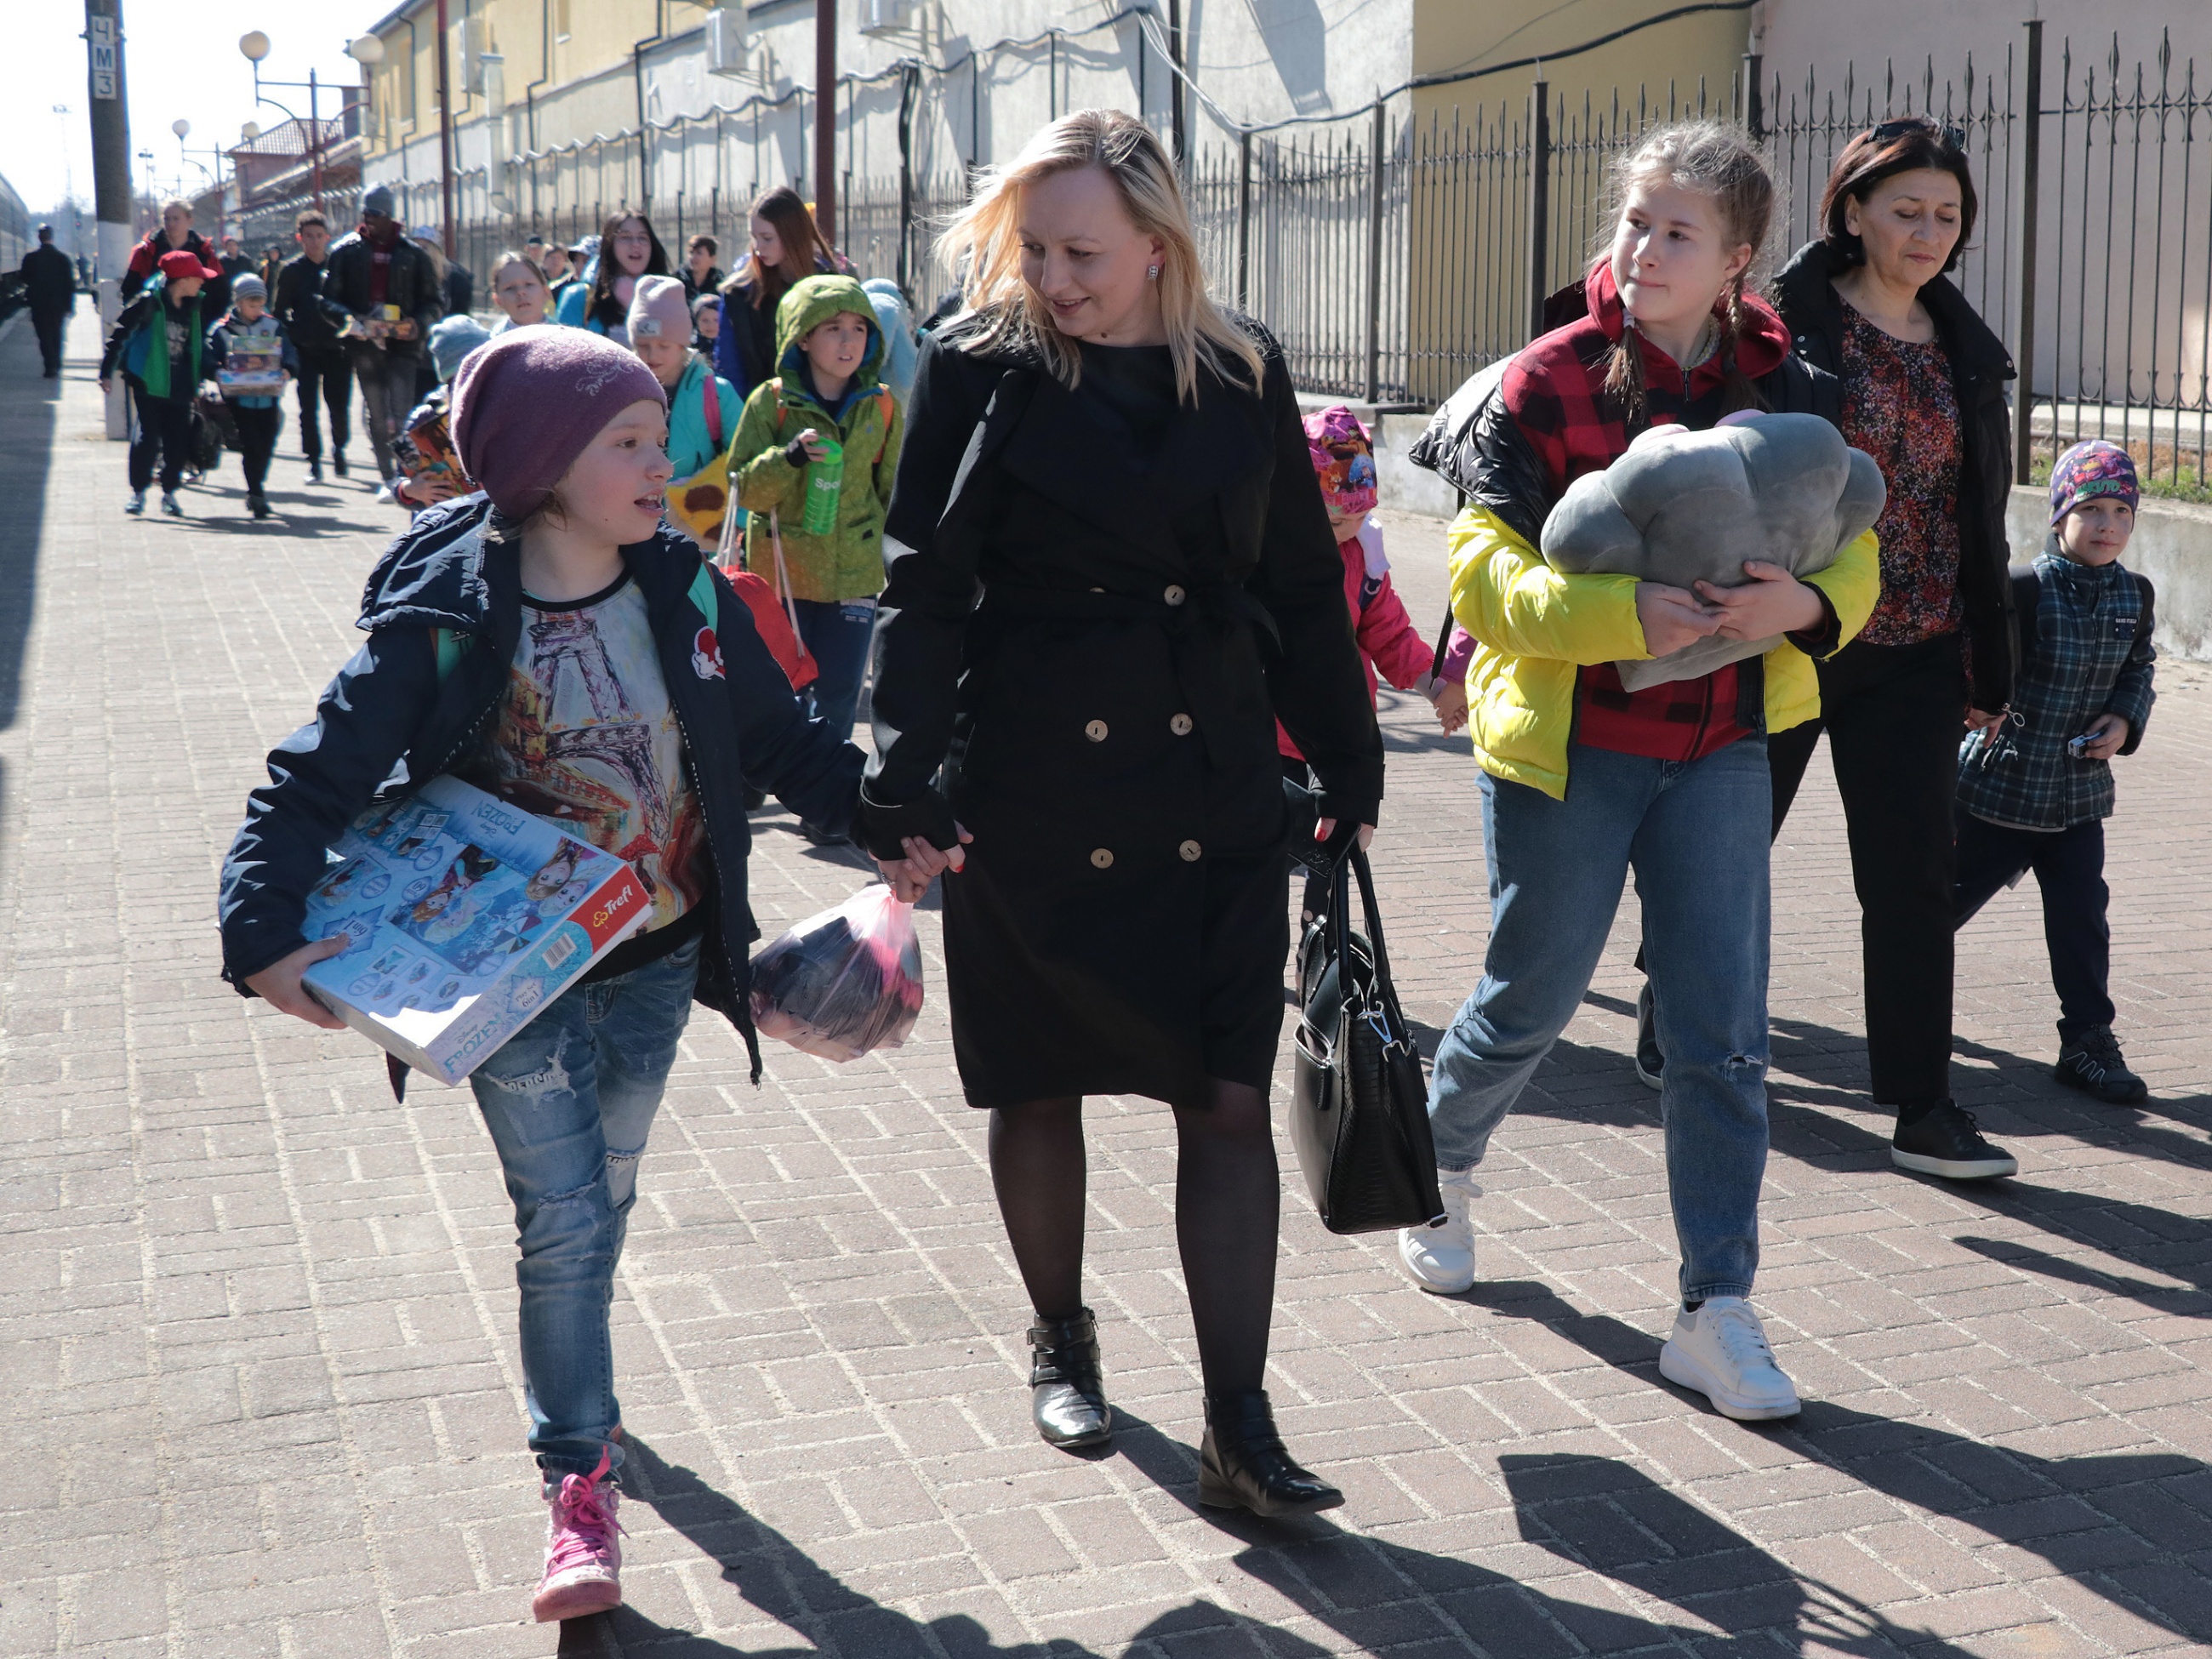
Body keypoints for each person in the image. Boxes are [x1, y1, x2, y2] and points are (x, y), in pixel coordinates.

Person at [214, 326, 880, 1625]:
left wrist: (897, 818)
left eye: (658, 435)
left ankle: (576, 1373)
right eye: (627, 442)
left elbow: (782, 740)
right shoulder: (447, 612)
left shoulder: (681, 581)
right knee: (565, 1217)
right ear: (541, 466)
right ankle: (578, 1477)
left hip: (660, 955)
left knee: (607, 1182)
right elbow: (312, 773)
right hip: (505, 982)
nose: (662, 459)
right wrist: (261, 932)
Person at [858, 110, 1382, 1517]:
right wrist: (901, 771)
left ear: (1160, 244)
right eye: (1032, 248)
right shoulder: (981, 367)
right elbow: (926, 582)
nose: (1055, 277)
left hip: (1207, 776)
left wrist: (1346, 758)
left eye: (1083, 251)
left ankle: (1240, 1423)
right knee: (1039, 1080)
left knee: (1222, 1101)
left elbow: (1297, 584)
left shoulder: (1240, 367)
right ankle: (1062, 1333)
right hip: (1030, 770)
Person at [1399, 122, 1879, 1425]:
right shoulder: (1545, 381)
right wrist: (1627, 618)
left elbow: (1858, 555)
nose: (1644, 249)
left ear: (1738, 260)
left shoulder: (1795, 394)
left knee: (1721, 1034)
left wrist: (1809, 606)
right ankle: (1437, 1162)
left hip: (1721, 745)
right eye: (1636, 223)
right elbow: (1485, 580)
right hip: (1570, 749)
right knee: (1529, 998)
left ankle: (1715, 1307)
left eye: (1679, 232)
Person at [1762, 115, 2022, 1180]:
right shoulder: (1781, 328)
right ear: (1852, 210)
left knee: (1913, 873)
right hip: (1789, 633)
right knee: (1733, 848)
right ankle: (1669, 996)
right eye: (1904, 209)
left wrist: (1986, 660)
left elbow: (1979, 514)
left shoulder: (1964, 347)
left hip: (1916, 644)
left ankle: (1921, 1105)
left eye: (1945, 215)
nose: (1926, 232)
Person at [1956, 440, 2157, 1105]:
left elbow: (2138, 668)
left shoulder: (2136, 594)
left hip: (2077, 800)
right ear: (2059, 515)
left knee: (2081, 920)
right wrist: (1977, 703)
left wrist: (2125, 720)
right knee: (1930, 912)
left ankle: (2087, 1042)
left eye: (2122, 512)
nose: (2107, 526)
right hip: (1999, 791)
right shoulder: (2024, 589)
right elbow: (1974, 664)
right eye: (2091, 509)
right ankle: (1903, 1021)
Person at [1282, 404, 1456, 922]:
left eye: (1359, 515)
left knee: (1338, 850)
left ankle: (1320, 946)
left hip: (1345, 735)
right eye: (1335, 518)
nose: (1347, 527)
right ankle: (1254, 959)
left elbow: (1390, 633)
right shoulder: (1273, 555)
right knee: (1261, 857)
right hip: (1275, 736)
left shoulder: (1364, 558)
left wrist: (1436, 686)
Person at [728, 273, 901, 793]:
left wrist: (897, 559)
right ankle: (762, 776)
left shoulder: (884, 405)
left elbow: (892, 489)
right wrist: (789, 458)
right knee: (779, 684)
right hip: (783, 573)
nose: (849, 342)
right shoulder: (771, 402)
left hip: (854, 570)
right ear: (802, 336)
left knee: (842, 689)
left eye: (859, 329)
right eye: (832, 328)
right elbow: (744, 487)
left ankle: (829, 790)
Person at [322, 185, 445, 482]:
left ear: (391, 217)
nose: (370, 220)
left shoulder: (413, 255)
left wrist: (416, 323)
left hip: (403, 345)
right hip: (364, 345)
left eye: (376, 214)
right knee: (377, 414)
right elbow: (327, 300)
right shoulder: (345, 251)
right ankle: (387, 476)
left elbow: (434, 301)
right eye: (366, 214)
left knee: (403, 412)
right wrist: (349, 319)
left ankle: (408, 473)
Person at [98, 247, 220, 517]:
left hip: (180, 385)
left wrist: (212, 370)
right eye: (197, 276)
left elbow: (199, 346)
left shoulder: (194, 307)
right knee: (148, 437)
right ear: (182, 280)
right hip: (149, 382)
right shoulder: (148, 304)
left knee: (177, 441)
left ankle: (169, 494)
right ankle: (138, 492)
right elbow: (120, 336)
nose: (202, 281)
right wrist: (107, 371)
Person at [624, 274, 738, 516]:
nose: (652, 354)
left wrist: (734, 525)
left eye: (664, 345)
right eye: (642, 345)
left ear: (683, 344)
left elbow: (745, 464)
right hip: (635, 529)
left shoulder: (717, 393)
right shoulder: (620, 394)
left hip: (698, 534)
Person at [714, 187, 838, 398]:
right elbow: (730, 369)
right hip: (759, 415)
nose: (758, 247)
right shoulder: (740, 293)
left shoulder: (831, 286)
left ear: (792, 235)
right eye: (754, 237)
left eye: (767, 238)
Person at [206, 272, 298, 521]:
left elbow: (289, 352)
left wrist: (289, 368)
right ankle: (256, 494)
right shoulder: (222, 330)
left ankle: (257, 482)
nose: (256, 310)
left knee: (267, 444)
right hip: (239, 398)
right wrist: (216, 371)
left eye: (260, 305)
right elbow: (209, 356)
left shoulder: (273, 326)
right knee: (251, 444)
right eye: (251, 305)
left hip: (269, 396)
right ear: (238, 302)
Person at [274, 210, 352, 482]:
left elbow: (350, 306)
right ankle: (314, 460)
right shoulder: (292, 271)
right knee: (308, 407)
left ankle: (340, 450)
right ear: (300, 238)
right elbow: (279, 311)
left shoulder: (338, 268)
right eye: (309, 236)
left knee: (339, 406)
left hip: (337, 350)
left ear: (327, 238)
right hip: (305, 349)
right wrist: (293, 336)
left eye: (319, 236)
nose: (315, 241)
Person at [387, 315, 492, 511]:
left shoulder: (505, 408)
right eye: (460, 378)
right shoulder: (424, 420)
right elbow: (399, 479)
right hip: (445, 524)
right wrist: (409, 489)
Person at [556, 213, 668, 345]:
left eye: (642, 238)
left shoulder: (668, 295)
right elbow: (563, 355)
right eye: (625, 237)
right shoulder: (580, 297)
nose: (636, 244)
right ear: (610, 245)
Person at [123, 199, 227, 312]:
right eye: (166, 219)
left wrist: (208, 322)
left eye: (176, 219)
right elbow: (130, 288)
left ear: (190, 220)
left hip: (198, 320)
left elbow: (221, 292)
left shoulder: (205, 251)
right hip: (157, 320)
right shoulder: (146, 251)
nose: (170, 224)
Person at [20, 224, 75, 379]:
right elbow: (70, 284)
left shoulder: (31, 258)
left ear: (39, 238)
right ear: (52, 237)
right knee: (57, 333)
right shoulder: (62, 258)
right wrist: (70, 305)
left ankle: (50, 365)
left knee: (44, 335)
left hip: (39, 303)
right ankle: (56, 363)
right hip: (58, 304)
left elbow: (24, 277)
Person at [487, 248, 553, 331]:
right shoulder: (493, 340)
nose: (520, 292)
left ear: (545, 291)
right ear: (497, 300)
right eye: (510, 288)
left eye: (529, 284)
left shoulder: (565, 338)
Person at [680, 233, 723, 304]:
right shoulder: (678, 280)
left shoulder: (720, 283)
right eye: (691, 253)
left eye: (699, 253)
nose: (693, 257)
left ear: (712, 259)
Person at [689, 290, 719, 354]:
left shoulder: (731, 345)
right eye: (705, 320)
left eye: (716, 320)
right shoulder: (692, 347)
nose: (711, 325)